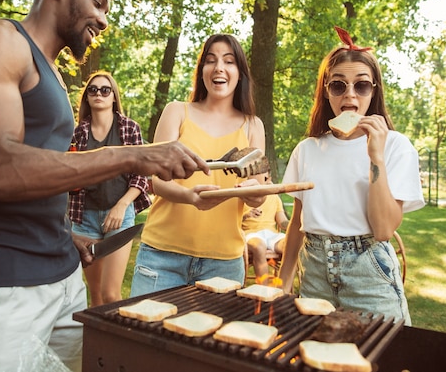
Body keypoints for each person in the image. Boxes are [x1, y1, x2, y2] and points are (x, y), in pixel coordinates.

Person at [0, 0, 208, 371]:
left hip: (63, 277)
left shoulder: (54, 76)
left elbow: (42, 169)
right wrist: (134, 154)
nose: (102, 20)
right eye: (97, 3)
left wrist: (63, 232)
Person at [278, 26, 425, 325]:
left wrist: (376, 157)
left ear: (374, 91)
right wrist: (283, 281)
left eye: (361, 86)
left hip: (369, 271)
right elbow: (298, 222)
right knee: (316, 358)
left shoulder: (396, 146)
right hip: (314, 273)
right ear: (326, 91)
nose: (350, 95)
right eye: (338, 85)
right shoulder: (307, 149)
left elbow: (384, 229)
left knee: (381, 359)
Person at [129, 34, 266, 297]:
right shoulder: (177, 111)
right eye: (210, 60)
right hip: (162, 256)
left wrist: (254, 192)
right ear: (202, 70)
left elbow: (258, 192)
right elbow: (155, 180)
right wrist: (188, 196)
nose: (219, 68)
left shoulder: (253, 125)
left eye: (229, 61)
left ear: (240, 73)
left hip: (223, 263)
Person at [68, 71, 151, 306]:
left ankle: (118, 342)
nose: (99, 94)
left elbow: (142, 174)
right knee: (95, 296)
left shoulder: (129, 128)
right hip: (85, 219)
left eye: (105, 90)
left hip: (120, 215)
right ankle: (97, 343)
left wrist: (122, 206)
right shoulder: (77, 133)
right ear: (86, 98)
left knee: (111, 295)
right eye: (92, 90)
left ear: (114, 97)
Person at [242, 174, 289, 278]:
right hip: (250, 234)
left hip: (271, 235)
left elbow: (282, 221)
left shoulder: (274, 197)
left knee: (290, 245)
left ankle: (284, 288)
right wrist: (247, 215)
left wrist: (295, 225)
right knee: (259, 247)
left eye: (263, 178)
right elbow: (234, 221)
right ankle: (264, 289)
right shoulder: (242, 196)